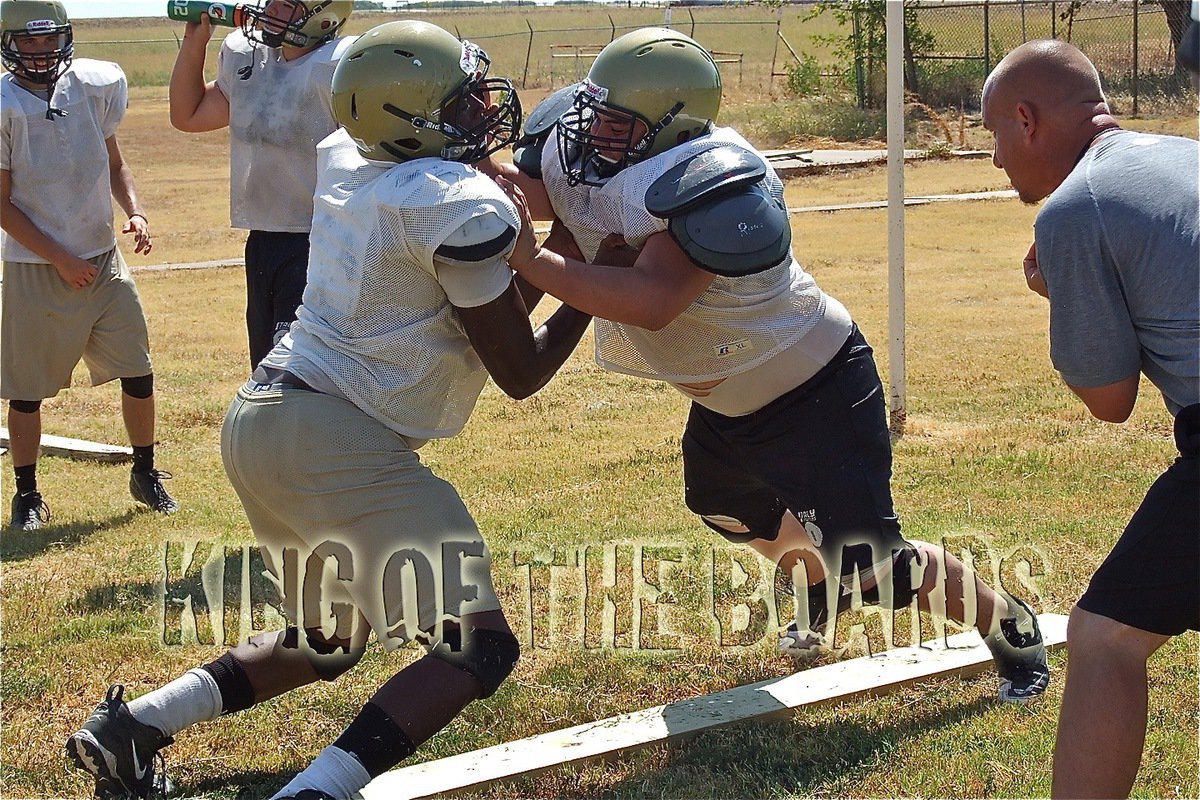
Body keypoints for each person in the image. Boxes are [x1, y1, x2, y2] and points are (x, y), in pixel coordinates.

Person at [66, 20, 591, 800]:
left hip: (265, 417)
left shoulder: (354, 155)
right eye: (461, 97)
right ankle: (318, 792)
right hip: (334, 435)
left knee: (329, 640)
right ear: (413, 120)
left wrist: (547, 244)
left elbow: (487, 305)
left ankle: (133, 726)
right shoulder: (451, 203)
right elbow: (520, 369)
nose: (483, 105)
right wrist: (580, 263)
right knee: (476, 649)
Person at [492, 27, 1050, 701]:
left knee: (874, 568)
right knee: (725, 506)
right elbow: (533, 189)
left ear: (672, 125)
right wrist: (451, 159)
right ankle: (816, 578)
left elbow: (652, 301)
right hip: (728, 402)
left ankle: (1011, 626)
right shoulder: (600, 147)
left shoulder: (711, 177)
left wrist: (533, 259)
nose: (593, 132)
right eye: (595, 111)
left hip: (814, 392)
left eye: (616, 121)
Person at [981, 40, 1199, 798]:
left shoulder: (1076, 209)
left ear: (1026, 118)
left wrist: (1063, 298)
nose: (997, 158)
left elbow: (1110, 401)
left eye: (994, 136)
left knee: (1104, 637)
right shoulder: (1186, 153)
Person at [1, 0, 178, 531]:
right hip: (37, 264)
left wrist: (137, 211)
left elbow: (115, 164)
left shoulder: (92, 86)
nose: (41, 51)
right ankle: (27, 494)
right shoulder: (5, 103)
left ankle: (145, 471)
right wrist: (59, 257)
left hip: (102, 259)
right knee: (27, 388)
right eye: (28, 42)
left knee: (138, 368)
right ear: (9, 43)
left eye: (48, 39)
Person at [169, 0, 355, 369]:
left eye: (284, 5)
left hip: (323, 240)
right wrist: (195, 43)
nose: (269, 11)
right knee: (265, 363)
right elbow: (187, 114)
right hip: (264, 239)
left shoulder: (342, 66)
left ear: (322, 13)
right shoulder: (249, 57)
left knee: (294, 371)